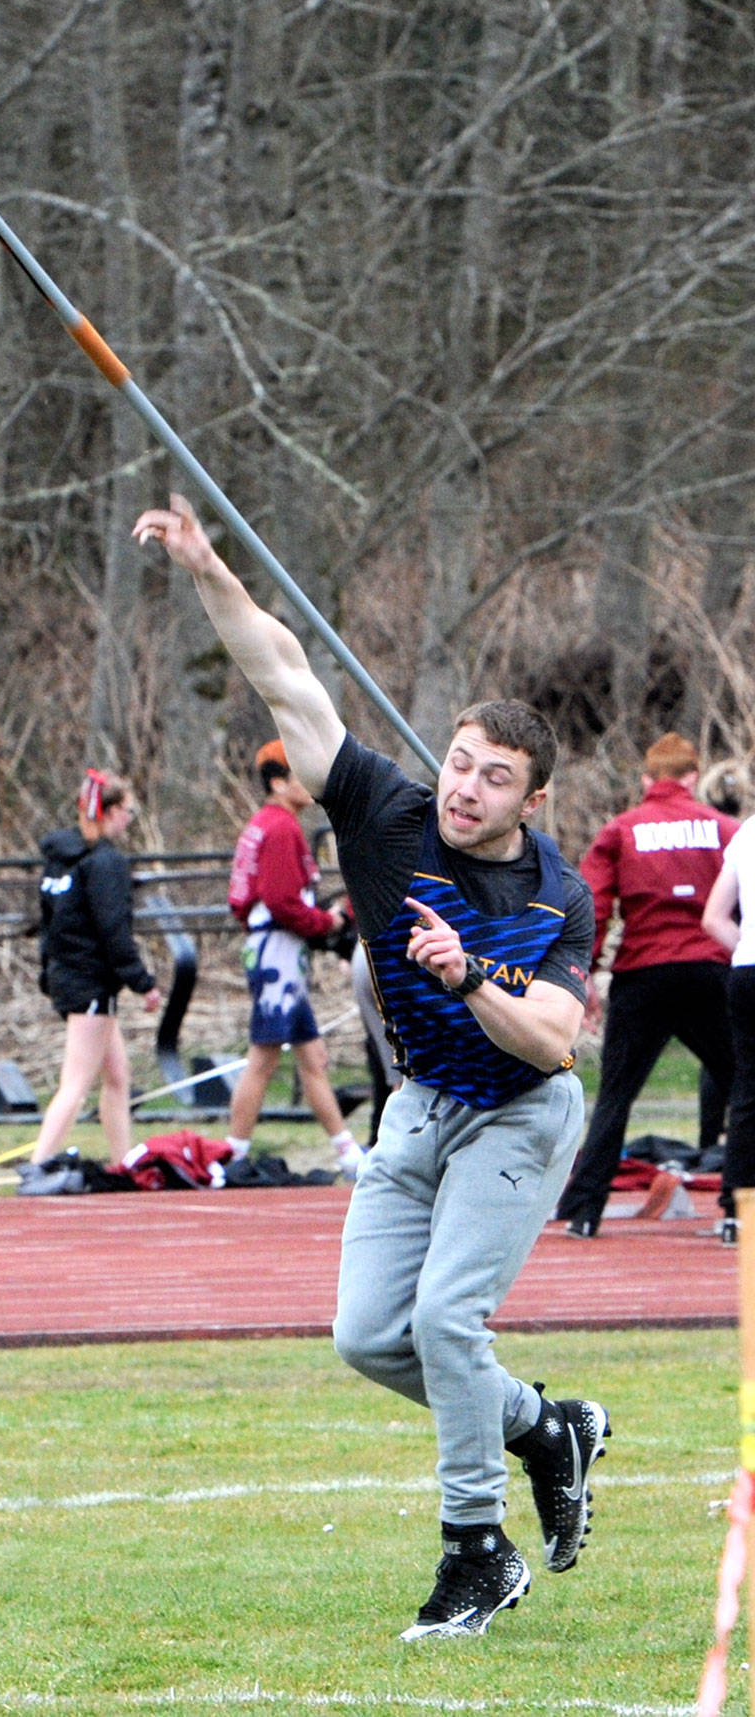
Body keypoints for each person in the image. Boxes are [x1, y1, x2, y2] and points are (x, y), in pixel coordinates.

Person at [133, 493, 607, 1642]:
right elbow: (284, 671)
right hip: (417, 1113)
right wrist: (207, 571)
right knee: (367, 1338)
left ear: (530, 801)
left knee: (445, 1322)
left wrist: (463, 978)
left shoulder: (553, 895)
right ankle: (542, 1429)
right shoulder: (383, 810)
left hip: (515, 1116)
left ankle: (475, 1554)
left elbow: (550, 1040)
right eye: (456, 762)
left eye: (492, 778)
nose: (461, 788)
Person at [554, 734, 741, 1240]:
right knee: (742, 1087)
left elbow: (591, 903)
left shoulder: (622, 830)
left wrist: (584, 972)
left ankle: (586, 1208)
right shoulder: (726, 829)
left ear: (645, 781)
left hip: (645, 972)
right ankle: (737, 1209)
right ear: (691, 778)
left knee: (617, 1092)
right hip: (711, 970)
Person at [228, 739, 366, 1179]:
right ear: (278, 781)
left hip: (278, 953)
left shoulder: (264, 824)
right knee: (264, 1058)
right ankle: (232, 1153)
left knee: (312, 1058)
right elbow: (282, 900)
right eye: (299, 773)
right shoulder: (281, 828)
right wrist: (325, 921)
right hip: (278, 955)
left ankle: (347, 1153)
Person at [19, 770, 161, 1196]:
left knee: (118, 1076)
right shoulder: (105, 864)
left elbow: (49, 926)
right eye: (129, 813)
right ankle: (37, 1165)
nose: (129, 821)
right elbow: (112, 930)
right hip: (89, 984)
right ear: (112, 812)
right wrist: (143, 982)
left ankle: (124, 1163)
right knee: (76, 1084)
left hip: (68, 977)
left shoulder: (60, 859)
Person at [701, 808, 755, 1244]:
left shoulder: (747, 832)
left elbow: (713, 918)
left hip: (747, 971)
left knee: (748, 1095)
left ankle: (735, 1212)